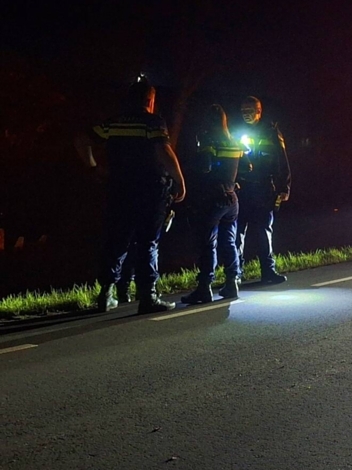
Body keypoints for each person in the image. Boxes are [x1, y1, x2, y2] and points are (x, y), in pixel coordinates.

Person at [76, 77, 184, 314]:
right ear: (150, 99)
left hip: (119, 188)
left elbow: (82, 139)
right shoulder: (152, 121)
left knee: (117, 239)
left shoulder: (114, 122)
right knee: (148, 242)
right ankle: (148, 297)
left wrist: (93, 167)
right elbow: (164, 150)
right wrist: (179, 181)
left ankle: (106, 294)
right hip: (149, 189)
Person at [180, 105, 244, 305]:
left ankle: (204, 287)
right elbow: (247, 165)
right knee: (229, 241)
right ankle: (232, 282)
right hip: (232, 198)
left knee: (208, 244)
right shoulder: (234, 141)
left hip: (212, 198)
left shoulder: (208, 141)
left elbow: (204, 168)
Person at [235, 96, 290, 284]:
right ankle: (235, 274)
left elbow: (282, 161)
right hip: (242, 188)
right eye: (243, 111)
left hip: (265, 188)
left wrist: (285, 186)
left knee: (263, 231)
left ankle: (268, 271)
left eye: (249, 111)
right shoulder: (236, 132)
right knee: (237, 232)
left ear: (259, 112)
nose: (246, 115)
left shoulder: (271, 132)